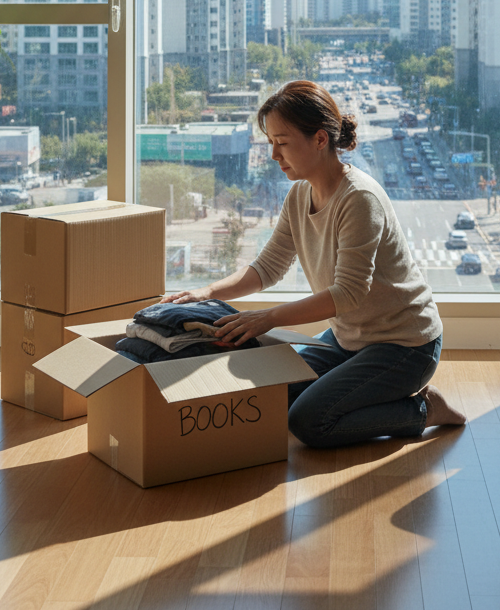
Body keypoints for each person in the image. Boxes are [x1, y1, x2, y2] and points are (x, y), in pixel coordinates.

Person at [162, 79, 465, 448]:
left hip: (405, 345)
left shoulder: (359, 199)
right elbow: (268, 268)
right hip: (347, 338)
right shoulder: (299, 194)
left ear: (320, 139)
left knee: (309, 423)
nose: (274, 155)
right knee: (275, 397)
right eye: (270, 143)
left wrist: (267, 318)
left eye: (282, 143)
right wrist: (207, 292)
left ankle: (424, 410)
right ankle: (378, 395)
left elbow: (349, 293)